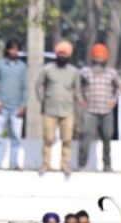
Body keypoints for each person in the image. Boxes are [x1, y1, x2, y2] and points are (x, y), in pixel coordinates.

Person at [36, 41, 80, 176]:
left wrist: (80, 103)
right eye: (60, 53)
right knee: (48, 138)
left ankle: (65, 165)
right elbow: (38, 86)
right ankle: (46, 164)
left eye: (65, 54)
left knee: (67, 139)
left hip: (67, 110)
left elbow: (77, 90)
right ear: (56, 54)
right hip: (50, 109)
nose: (62, 56)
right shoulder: (47, 69)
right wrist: (42, 100)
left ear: (69, 56)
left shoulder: (74, 72)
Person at [78, 43, 121, 172]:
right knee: (86, 137)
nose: (99, 62)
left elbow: (120, 85)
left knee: (107, 138)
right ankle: (82, 165)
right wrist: (81, 99)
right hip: (90, 111)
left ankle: (107, 165)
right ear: (93, 59)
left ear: (105, 59)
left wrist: (114, 100)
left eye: (101, 59)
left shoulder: (111, 73)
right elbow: (76, 84)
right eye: (97, 59)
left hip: (106, 111)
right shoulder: (85, 72)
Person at [0, 38, 27, 170]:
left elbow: (25, 87)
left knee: (16, 137)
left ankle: (14, 163)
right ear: (7, 50)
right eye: (11, 49)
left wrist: (23, 105)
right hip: (1, 107)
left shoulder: (22, 67)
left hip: (16, 107)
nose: (14, 52)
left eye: (16, 49)